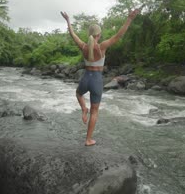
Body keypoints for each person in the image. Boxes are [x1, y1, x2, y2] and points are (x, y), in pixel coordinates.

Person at [60, 9, 140, 146]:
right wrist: (129, 19)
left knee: (79, 94)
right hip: (96, 80)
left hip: (86, 77)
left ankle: (84, 108)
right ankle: (88, 139)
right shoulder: (102, 47)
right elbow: (119, 35)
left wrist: (68, 20)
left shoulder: (83, 46)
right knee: (95, 111)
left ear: (89, 34)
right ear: (99, 34)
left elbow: (73, 34)